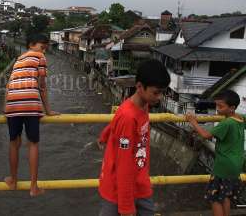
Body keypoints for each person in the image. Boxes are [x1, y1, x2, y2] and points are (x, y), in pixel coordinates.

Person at [98, 59, 170, 216]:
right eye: (156, 92)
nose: (160, 97)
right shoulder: (129, 117)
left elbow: (116, 122)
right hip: (119, 189)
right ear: (139, 87)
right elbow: (124, 166)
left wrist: (105, 135)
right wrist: (125, 208)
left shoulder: (141, 104)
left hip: (139, 182)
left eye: (162, 92)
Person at [4, 33, 59, 197]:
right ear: (32, 44)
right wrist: (48, 110)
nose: (45, 49)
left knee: (14, 143)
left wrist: (5, 107)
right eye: (43, 45)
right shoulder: (40, 56)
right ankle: (33, 187)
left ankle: (13, 180)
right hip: (30, 104)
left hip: (12, 104)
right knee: (33, 144)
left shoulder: (18, 59)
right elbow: (42, 86)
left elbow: (8, 86)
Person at [186, 90, 244, 216]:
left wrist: (193, 122)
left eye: (221, 106)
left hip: (223, 166)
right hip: (236, 165)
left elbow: (206, 135)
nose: (217, 110)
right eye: (217, 105)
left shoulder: (227, 123)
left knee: (214, 197)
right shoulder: (240, 119)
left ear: (232, 108)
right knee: (225, 196)